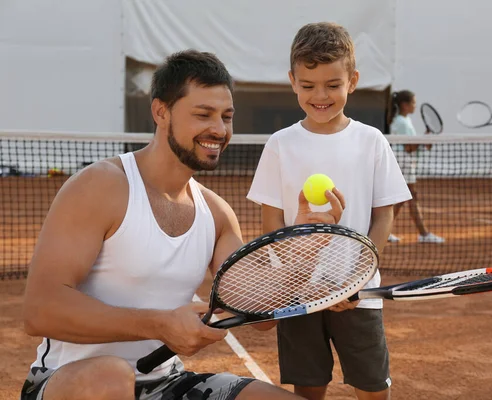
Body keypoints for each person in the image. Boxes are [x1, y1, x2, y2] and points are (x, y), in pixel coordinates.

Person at [20, 50, 326, 400]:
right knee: (110, 377)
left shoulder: (217, 213)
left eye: (227, 116)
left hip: (165, 383)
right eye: (203, 114)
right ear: (161, 111)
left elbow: (258, 313)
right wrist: (160, 324)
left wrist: (305, 249)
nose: (219, 129)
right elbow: (39, 310)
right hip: (71, 384)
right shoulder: (101, 186)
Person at [247, 22, 412, 400]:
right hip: (295, 294)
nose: (320, 95)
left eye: (332, 85)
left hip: (358, 294)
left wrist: (356, 278)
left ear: (352, 81)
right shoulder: (279, 145)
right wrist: (297, 274)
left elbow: (385, 213)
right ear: (292, 81)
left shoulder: (371, 140)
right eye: (307, 86)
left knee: (372, 387)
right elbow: (271, 224)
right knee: (308, 386)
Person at [387, 90, 444, 244]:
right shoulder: (401, 122)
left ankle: (385, 230)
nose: (415, 106)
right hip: (403, 160)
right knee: (409, 195)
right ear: (405, 105)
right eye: (413, 103)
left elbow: (413, 145)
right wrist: (423, 139)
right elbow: (409, 147)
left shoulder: (404, 120)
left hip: (404, 161)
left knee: (402, 198)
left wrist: (424, 139)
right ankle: (424, 233)